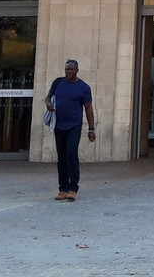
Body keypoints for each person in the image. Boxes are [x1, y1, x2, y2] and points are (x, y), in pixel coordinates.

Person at [44, 58, 96, 201]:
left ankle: (73, 188)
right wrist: (48, 104)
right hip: (59, 124)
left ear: (77, 70)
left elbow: (88, 109)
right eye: (67, 69)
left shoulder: (83, 87)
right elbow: (48, 97)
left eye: (72, 69)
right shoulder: (57, 83)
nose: (69, 72)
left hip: (74, 125)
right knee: (61, 157)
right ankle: (62, 189)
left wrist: (91, 129)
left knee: (71, 154)